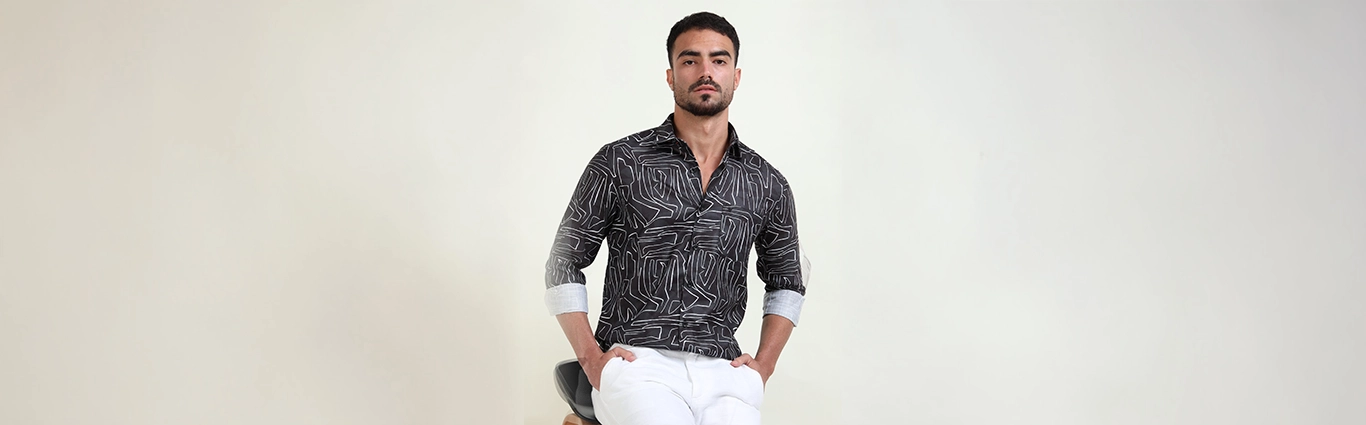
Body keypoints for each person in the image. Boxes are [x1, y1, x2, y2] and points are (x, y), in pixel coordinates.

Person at [544, 11, 808, 425]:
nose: (706, 72)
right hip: (637, 362)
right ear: (670, 76)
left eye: (719, 60)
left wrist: (764, 367)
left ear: (736, 76)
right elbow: (563, 262)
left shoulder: (766, 182)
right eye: (690, 60)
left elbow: (787, 281)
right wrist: (592, 359)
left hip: (724, 370)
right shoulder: (621, 162)